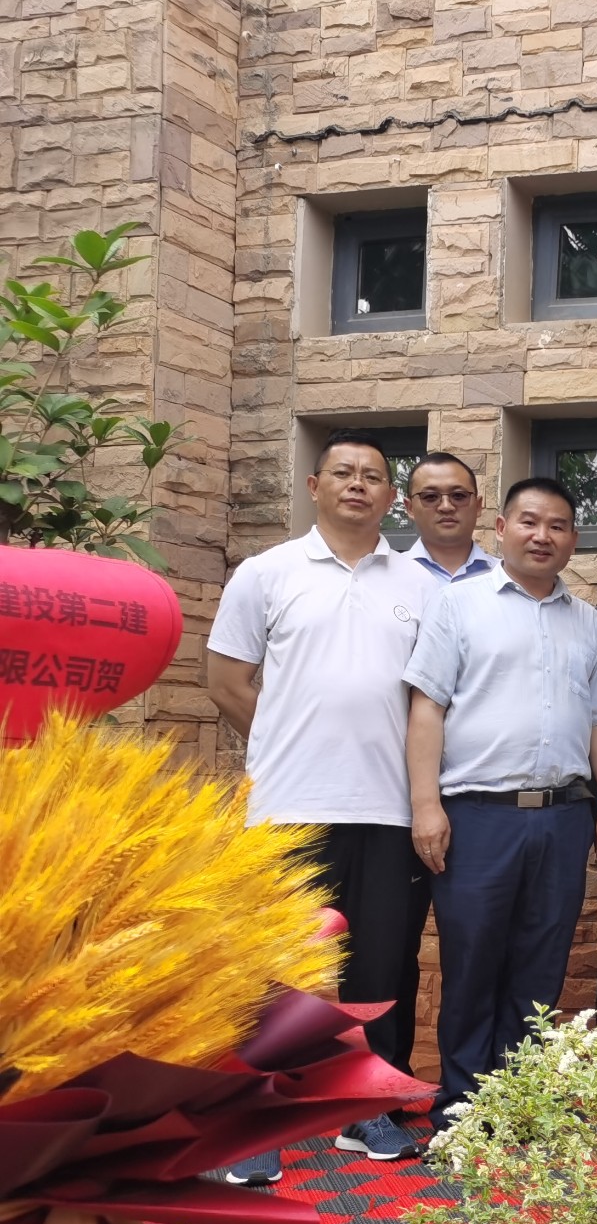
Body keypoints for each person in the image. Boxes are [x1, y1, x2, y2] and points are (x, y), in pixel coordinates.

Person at [206, 429, 436, 1179]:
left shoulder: (420, 585)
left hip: (389, 808)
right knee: (275, 966)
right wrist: (287, 738)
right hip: (288, 807)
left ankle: (365, 1111)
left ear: (391, 496)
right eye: (343, 472)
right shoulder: (266, 574)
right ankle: (262, 1119)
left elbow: (432, 699)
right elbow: (226, 681)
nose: (358, 485)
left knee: (379, 966)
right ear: (315, 486)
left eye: (373, 476)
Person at [403, 476, 597, 1122]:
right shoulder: (459, 605)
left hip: (563, 817)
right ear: (501, 528)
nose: (542, 536)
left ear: (573, 540)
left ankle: (517, 1101)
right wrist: (426, 804)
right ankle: (462, 1104)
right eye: (529, 522)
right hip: (477, 817)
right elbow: (427, 708)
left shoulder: (587, 623)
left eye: (557, 526)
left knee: (542, 962)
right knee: (472, 958)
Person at [401, 451, 496, 584]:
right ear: (410, 508)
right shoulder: (386, 579)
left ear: (478, 506)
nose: (446, 507)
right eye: (430, 497)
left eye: (458, 496)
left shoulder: (509, 579)